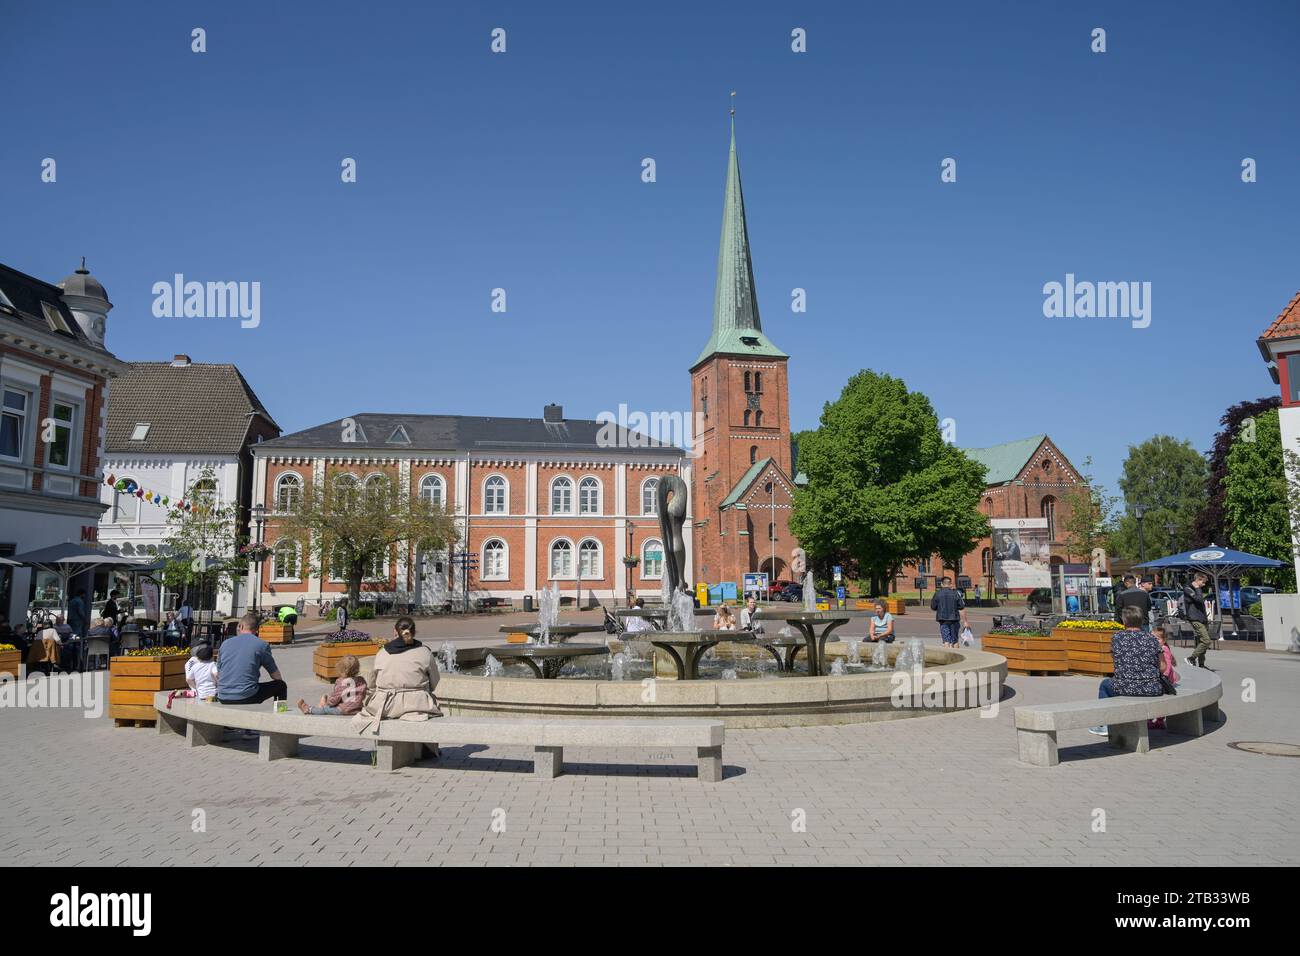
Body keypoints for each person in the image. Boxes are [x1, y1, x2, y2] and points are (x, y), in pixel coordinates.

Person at [353, 617, 442, 757]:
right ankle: (427, 749)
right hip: (416, 704)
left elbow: (372, 683)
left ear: (395, 631)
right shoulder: (424, 652)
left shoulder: (382, 653)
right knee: (432, 709)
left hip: (385, 705)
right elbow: (435, 682)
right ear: (414, 632)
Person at [1089, 605, 1163, 736]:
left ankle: (1106, 724)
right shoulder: (1152, 638)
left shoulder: (1117, 638)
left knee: (1105, 685)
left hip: (1124, 686)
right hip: (1152, 688)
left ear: (1124, 621)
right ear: (1141, 620)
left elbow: (1115, 659)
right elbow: (1162, 667)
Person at [215, 612, 287, 704]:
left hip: (223, 695)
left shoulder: (225, 643)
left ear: (241, 626)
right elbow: (275, 675)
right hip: (247, 695)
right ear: (257, 629)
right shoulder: (261, 645)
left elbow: (218, 674)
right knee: (281, 686)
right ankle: (279, 715)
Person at [298, 654, 368, 716]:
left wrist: (328, 704)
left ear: (341, 669)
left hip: (343, 710)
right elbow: (363, 694)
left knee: (325, 710)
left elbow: (335, 698)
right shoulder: (361, 680)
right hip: (357, 709)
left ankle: (308, 709)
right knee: (333, 702)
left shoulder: (342, 682)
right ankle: (324, 703)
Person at [1149, 624, 1179, 730]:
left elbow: (1167, 666)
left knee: (1158, 701)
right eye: (1152, 638)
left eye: (1157, 639)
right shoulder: (1158, 648)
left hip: (1165, 681)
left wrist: (1163, 676)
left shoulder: (1164, 649)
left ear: (1164, 640)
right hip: (1162, 679)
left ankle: (1159, 720)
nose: (1154, 641)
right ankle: (1154, 720)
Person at [1183, 572, 1212, 669]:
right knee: (1206, 640)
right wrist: (1198, 588)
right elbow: (1199, 599)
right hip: (1195, 618)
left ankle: (1201, 664)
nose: (1204, 585)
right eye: (1203, 583)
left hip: (1201, 618)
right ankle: (1191, 658)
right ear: (1198, 580)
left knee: (1201, 641)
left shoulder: (1195, 588)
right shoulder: (1188, 588)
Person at [931, 576, 968, 647]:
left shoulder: (937, 594)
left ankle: (947, 655)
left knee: (946, 640)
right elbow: (961, 608)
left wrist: (939, 608)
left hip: (943, 620)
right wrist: (965, 621)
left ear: (941, 584)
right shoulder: (955, 593)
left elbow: (933, 607)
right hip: (954, 619)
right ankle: (957, 656)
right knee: (955, 640)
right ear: (950, 584)